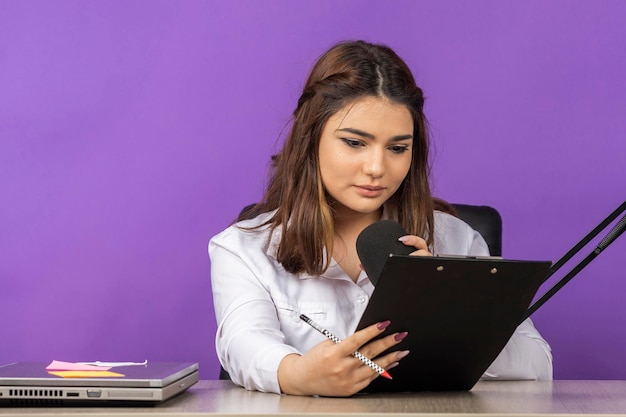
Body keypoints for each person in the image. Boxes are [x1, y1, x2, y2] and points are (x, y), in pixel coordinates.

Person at [209, 40, 552, 396]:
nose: (377, 168)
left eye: (398, 148)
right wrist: (297, 374)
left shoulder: (458, 239)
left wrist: (449, 310)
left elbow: (537, 363)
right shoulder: (243, 247)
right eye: (355, 143)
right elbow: (243, 345)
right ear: (311, 139)